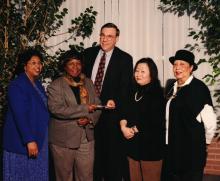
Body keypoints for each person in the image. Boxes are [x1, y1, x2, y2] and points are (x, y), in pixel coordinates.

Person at [82, 22, 133, 181]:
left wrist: (115, 100)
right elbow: (79, 81)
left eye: (109, 36)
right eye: (102, 35)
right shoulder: (88, 54)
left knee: (112, 162)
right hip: (89, 114)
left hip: (111, 117)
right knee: (92, 160)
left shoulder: (125, 59)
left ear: (116, 38)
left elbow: (126, 88)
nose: (105, 39)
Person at [47, 49, 103, 181]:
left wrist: (89, 119)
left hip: (86, 137)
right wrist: (84, 109)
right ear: (64, 66)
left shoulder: (88, 82)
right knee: (64, 177)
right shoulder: (56, 85)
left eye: (78, 63)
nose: (75, 67)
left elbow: (98, 106)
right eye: (71, 63)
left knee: (86, 176)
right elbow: (56, 109)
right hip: (63, 140)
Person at [163, 49, 217, 181]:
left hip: (191, 152)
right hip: (172, 150)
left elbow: (210, 122)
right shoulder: (171, 87)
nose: (177, 68)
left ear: (191, 68)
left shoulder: (198, 88)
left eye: (182, 64)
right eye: (175, 64)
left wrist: (205, 142)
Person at [3, 48, 49, 181]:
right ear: (25, 66)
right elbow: (20, 115)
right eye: (33, 63)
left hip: (40, 139)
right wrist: (29, 140)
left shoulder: (38, 84)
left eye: (39, 63)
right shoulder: (17, 85)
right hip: (23, 142)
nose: (38, 66)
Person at [120, 58, 165, 181]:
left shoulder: (158, 93)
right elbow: (124, 112)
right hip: (133, 147)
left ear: (152, 73)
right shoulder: (133, 91)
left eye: (142, 71)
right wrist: (123, 127)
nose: (138, 74)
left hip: (151, 148)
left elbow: (154, 120)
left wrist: (132, 130)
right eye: (137, 71)